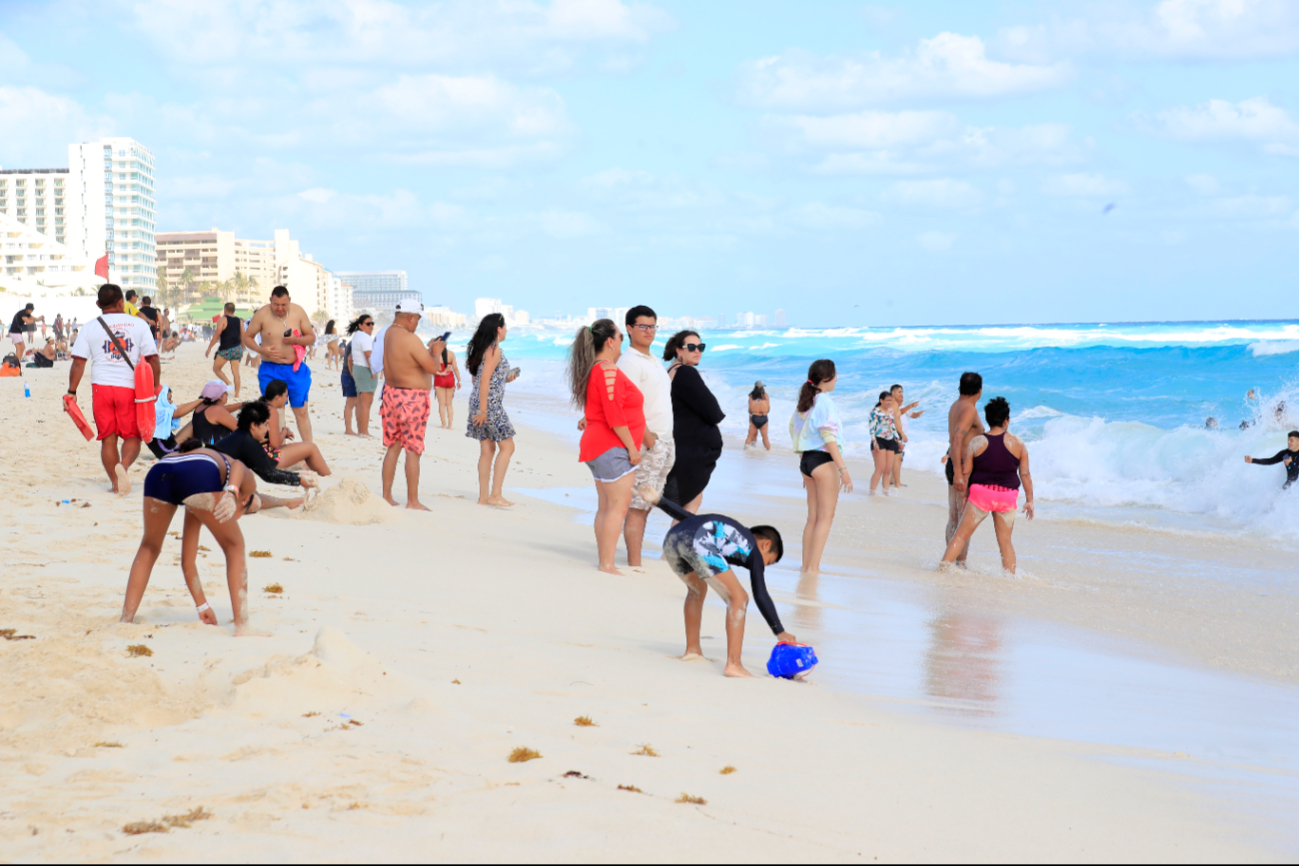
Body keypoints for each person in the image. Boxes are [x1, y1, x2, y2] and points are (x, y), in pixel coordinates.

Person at [638, 486, 795, 678]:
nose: (762, 566)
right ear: (765, 544)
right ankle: (734, 664)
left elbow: (690, 519)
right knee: (739, 598)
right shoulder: (752, 547)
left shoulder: (729, 530)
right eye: (767, 561)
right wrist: (780, 631)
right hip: (699, 541)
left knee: (697, 589)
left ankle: (693, 650)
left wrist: (658, 501)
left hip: (673, 540)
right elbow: (760, 593)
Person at [120, 439, 269, 635]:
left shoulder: (199, 485)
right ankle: (242, 626)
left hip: (160, 471)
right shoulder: (236, 478)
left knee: (149, 547)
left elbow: (187, 562)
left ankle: (125, 620)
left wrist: (202, 606)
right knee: (235, 545)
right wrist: (232, 494)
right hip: (199, 473)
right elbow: (239, 465)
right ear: (246, 498)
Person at [67, 284, 161, 495]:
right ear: (121, 302)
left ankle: (116, 484)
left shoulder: (90, 326)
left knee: (108, 438)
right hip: (129, 388)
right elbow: (153, 360)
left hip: (101, 388)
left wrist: (72, 390)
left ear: (99, 304)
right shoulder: (138, 325)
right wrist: (155, 386)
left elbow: (78, 363)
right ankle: (124, 466)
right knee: (132, 436)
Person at [570, 318, 645, 575]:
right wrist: (633, 450)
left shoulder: (597, 369)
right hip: (610, 446)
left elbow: (601, 407)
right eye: (621, 337)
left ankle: (605, 560)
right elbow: (614, 415)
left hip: (598, 445)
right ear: (610, 341)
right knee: (617, 506)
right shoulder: (608, 370)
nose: (623, 341)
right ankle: (607, 564)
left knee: (606, 506)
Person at [941, 397, 1034, 574]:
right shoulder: (1019, 444)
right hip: (1007, 497)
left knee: (960, 535)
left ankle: (942, 570)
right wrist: (1029, 500)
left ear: (988, 419)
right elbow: (1025, 475)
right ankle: (1010, 579)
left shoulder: (976, 442)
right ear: (1006, 421)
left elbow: (967, 474)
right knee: (1005, 542)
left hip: (980, 495)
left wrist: (963, 498)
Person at [616, 305, 676, 567]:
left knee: (648, 504)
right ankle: (635, 563)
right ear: (629, 329)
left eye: (653, 326)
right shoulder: (629, 362)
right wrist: (649, 440)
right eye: (643, 326)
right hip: (647, 442)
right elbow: (628, 406)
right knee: (638, 506)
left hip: (664, 440)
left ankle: (635, 560)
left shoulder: (652, 360)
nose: (649, 331)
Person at [381, 299, 447, 510]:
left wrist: (427, 350)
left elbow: (408, 361)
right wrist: (436, 351)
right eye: (417, 319)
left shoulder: (389, 334)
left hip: (391, 394)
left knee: (393, 445)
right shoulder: (410, 339)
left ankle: (386, 495)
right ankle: (413, 501)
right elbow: (432, 367)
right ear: (410, 317)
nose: (417, 323)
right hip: (412, 400)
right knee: (413, 449)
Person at [790, 360, 852, 574]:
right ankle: (813, 568)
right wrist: (843, 470)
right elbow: (829, 437)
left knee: (813, 518)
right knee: (825, 517)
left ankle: (806, 566)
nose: (837, 379)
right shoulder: (825, 401)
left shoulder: (806, 402)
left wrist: (803, 464)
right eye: (835, 375)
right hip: (823, 462)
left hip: (807, 461)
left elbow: (795, 431)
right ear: (825, 379)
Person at [662, 330, 725, 515]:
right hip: (691, 450)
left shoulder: (671, 371)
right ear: (679, 350)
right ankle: (678, 541)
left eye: (700, 347)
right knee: (689, 504)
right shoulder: (686, 373)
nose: (697, 351)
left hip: (682, 445)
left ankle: (679, 540)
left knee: (689, 502)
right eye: (691, 347)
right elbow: (712, 410)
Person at [243, 286, 316, 442]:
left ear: (289, 300)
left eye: (284, 304)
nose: (280, 308)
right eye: (276, 304)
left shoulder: (298, 312)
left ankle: (308, 448)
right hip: (271, 368)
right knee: (275, 411)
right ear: (271, 300)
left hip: (295, 368)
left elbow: (311, 337)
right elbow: (247, 337)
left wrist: (297, 340)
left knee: (301, 411)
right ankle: (279, 450)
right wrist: (262, 350)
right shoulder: (262, 314)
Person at [466, 312, 520, 507]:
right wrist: (483, 411)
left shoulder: (484, 350)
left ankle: (483, 498)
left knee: (487, 449)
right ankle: (495, 495)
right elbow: (484, 381)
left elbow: (480, 378)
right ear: (499, 329)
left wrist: (506, 378)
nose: (506, 330)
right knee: (508, 446)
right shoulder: (494, 350)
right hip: (489, 405)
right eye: (505, 327)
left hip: (480, 403)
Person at [215, 402, 317, 496]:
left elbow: (267, 470)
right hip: (212, 482)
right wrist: (299, 480)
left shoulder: (239, 436)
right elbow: (269, 475)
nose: (268, 429)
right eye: (266, 424)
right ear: (254, 425)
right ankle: (288, 503)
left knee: (251, 493)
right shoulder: (249, 442)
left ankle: (290, 502)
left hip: (213, 475)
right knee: (253, 500)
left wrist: (297, 476)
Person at [946, 372, 985, 565]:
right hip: (962, 469)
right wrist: (960, 475)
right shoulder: (969, 409)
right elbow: (958, 438)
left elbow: (954, 438)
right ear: (979, 391)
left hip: (955, 465)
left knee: (954, 517)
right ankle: (959, 563)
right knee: (963, 521)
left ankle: (952, 560)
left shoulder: (956, 405)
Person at [258, 379, 332, 476]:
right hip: (267, 458)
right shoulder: (272, 411)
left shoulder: (261, 407)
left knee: (303, 447)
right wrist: (284, 431)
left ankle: (320, 473)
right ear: (277, 397)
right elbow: (275, 443)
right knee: (311, 447)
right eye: (286, 396)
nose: (286, 399)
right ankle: (327, 475)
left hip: (259, 454)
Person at [180, 380, 241, 446]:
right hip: (216, 451)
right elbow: (240, 429)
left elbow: (224, 409)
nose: (227, 394)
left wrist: (241, 404)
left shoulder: (201, 407)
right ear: (220, 397)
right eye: (225, 392)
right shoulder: (216, 410)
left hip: (202, 447)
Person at [345, 314, 378, 436]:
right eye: (368, 324)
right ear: (360, 325)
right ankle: (364, 431)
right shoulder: (364, 337)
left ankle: (361, 430)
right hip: (365, 369)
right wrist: (374, 370)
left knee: (361, 401)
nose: (371, 326)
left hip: (360, 368)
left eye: (372, 323)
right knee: (366, 402)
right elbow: (368, 355)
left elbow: (351, 357)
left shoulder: (358, 336)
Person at [888, 384, 924, 489]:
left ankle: (892, 480)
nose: (901, 395)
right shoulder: (891, 405)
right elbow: (899, 413)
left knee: (899, 459)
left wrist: (918, 414)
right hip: (896, 434)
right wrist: (911, 405)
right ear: (893, 393)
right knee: (897, 459)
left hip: (901, 435)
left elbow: (911, 414)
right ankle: (896, 483)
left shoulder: (902, 406)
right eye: (899, 392)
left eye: (902, 392)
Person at [206, 302, 244, 398]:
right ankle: (237, 394)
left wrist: (209, 347)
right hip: (237, 348)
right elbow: (242, 336)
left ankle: (228, 382)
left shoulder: (222, 319)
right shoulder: (239, 321)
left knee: (216, 368)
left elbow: (217, 335)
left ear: (225, 310)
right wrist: (242, 350)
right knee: (236, 372)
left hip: (226, 348)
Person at [869, 390, 903, 494]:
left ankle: (885, 491)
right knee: (880, 469)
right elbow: (872, 429)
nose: (889, 403)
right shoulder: (875, 412)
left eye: (890, 401)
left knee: (888, 469)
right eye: (887, 400)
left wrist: (899, 441)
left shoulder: (891, 412)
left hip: (890, 440)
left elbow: (892, 427)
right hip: (879, 441)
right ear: (881, 400)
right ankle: (872, 492)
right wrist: (875, 443)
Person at [433, 340, 462, 430]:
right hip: (450, 377)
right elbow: (455, 368)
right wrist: (459, 380)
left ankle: (444, 425)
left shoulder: (434, 354)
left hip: (440, 377)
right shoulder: (451, 354)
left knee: (442, 404)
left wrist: (439, 373)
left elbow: (430, 368)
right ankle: (450, 426)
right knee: (449, 404)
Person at [340, 334, 359, 435]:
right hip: (350, 374)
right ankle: (348, 429)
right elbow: (350, 359)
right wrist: (354, 375)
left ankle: (350, 428)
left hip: (347, 373)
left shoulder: (353, 342)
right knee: (351, 403)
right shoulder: (355, 343)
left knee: (353, 403)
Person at [745, 381, 771, 450]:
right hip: (764, 418)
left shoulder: (751, 396)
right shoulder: (765, 395)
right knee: (765, 439)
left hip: (754, 417)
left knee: (750, 437)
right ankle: (769, 453)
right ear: (762, 387)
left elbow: (749, 410)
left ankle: (746, 452)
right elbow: (768, 409)